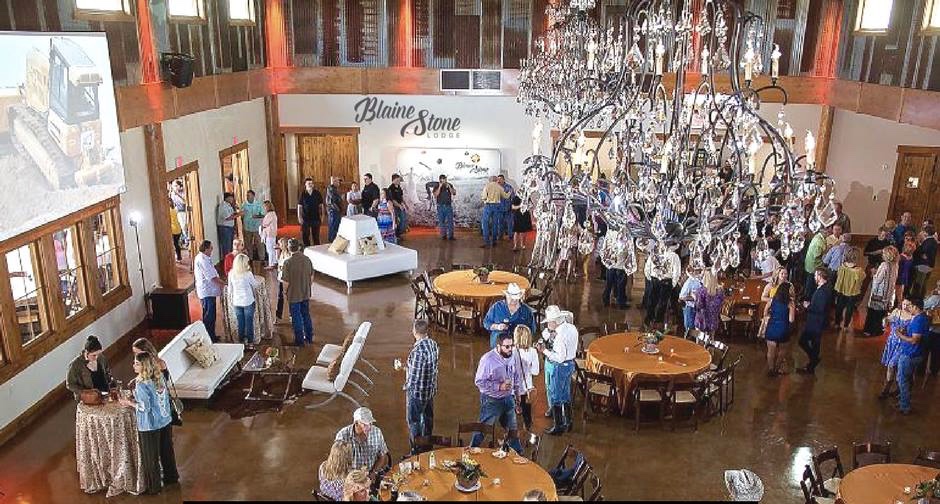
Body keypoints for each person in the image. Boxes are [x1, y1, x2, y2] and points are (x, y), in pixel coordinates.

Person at [118, 352, 178, 494]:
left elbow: (145, 407)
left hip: (150, 425)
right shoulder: (159, 377)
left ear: (143, 365)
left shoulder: (142, 384)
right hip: (165, 420)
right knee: (167, 452)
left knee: (150, 457)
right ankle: (172, 477)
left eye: (137, 363)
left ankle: (154, 487)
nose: (133, 365)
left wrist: (128, 402)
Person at [471, 332, 525, 453]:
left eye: (512, 345)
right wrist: (499, 386)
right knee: (484, 428)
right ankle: (471, 450)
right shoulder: (487, 360)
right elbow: (479, 382)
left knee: (513, 429)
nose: (510, 349)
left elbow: (516, 375)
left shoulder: (513, 354)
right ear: (498, 346)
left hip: (508, 398)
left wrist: (517, 395)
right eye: (507, 346)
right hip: (492, 400)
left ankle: (518, 454)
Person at [537, 306, 578, 436]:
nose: (548, 325)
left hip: (558, 367)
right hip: (570, 364)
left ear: (554, 321)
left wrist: (544, 351)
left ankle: (559, 425)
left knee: (555, 396)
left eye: (549, 322)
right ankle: (568, 421)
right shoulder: (571, 328)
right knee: (565, 394)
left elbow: (559, 357)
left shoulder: (559, 336)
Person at [402, 319, 439, 452]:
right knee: (428, 419)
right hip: (430, 390)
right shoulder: (433, 344)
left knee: (414, 421)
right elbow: (430, 368)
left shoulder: (417, 351)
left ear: (414, 331)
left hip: (418, 393)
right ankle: (428, 445)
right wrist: (407, 367)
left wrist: (406, 387)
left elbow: (415, 378)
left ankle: (416, 449)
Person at [335, 407, 390, 480]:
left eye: (371, 423)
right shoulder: (342, 436)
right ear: (356, 423)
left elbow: (382, 456)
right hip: (351, 478)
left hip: (371, 474)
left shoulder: (377, 432)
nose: (369, 427)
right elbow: (338, 463)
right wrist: (351, 480)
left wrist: (373, 473)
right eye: (365, 425)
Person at [798, 268, 833, 374]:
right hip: (816, 322)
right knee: (814, 344)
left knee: (803, 341)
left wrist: (808, 306)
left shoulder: (823, 291)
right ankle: (811, 365)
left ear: (820, 276)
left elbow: (819, 308)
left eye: (815, 275)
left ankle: (813, 361)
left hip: (816, 322)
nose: (814, 277)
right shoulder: (824, 288)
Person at [280, 238, 315, 346]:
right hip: (305, 292)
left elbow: (286, 281)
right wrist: (307, 286)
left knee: (296, 317)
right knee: (306, 315)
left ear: (289, 249)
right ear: (299, 247)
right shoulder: (307, 259)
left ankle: (299, 341)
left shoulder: (287, 262)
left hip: (294, 294)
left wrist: (284, 292)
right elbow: (312, 276)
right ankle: (309, 337)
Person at [896, 298, 927, 415]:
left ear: (916, 307)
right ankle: (903, 401)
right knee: (908, 379)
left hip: (910, 354)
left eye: (911, 306)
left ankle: (905, 405)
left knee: (902, 379)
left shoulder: (918, 320)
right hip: (917, 354)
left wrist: (900, 335)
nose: (909, 308)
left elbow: (915, 340)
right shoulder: (922, 318)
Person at [483, 283, 537, 349]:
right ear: (506, 296)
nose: (514, 300)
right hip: (498, 345)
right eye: (511, 298)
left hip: (519, 347)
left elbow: (532, 330)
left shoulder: (526, 311)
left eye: (516, 299)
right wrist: (497, 326)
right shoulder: (497, 307)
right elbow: (486, 322)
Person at [878, 299, 912, 400]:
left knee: (892, 365)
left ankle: (889, 389)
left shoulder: (912, 317)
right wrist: (885, 321)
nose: (905, 306)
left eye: (908, 305)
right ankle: (893, 389)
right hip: (892, 342)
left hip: (902, 345)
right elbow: (887, 320)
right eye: (904, 304)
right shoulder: (897, 312)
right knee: (892, 366)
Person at [863, 245, 900, 337]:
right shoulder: (895, 265)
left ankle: (870, 330)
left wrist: (873, 273)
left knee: (873, 313)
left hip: (879, 293)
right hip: (889, 293)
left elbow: (878, 280)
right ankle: (879, 330)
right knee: (881, 313)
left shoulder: (884, 265)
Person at [228, 254, 261, 347]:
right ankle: (250, 343)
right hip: (247, 301)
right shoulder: (248, 274)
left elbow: (230, 289)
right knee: (249, 323)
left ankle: (241, 342)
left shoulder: (231, 273)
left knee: (241, 323)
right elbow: (255, 285)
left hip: (236, 301)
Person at [643, 246, 682, 328]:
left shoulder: (658, 254)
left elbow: (647, 267)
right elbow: (676, 271)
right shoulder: (673, 256)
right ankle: (657, 321)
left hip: (658, 279)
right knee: (661, 302)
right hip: (665, 280)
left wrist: (650, 278)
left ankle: (650, 319)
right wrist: (673, 283)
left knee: (654, 300)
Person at [194, 240, 225, 342]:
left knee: (210, 314)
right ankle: (209, 337)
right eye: (211, 248)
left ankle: (212, 335)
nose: (212, 250)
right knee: (209, 316)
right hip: (207, 291)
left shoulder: (204, 258)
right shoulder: (203, 260)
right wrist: (223, 283)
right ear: (206, 249)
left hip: (208, 290)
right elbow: (211, 277)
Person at [763, 282, 795, 376]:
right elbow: (791, 320)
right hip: (783, 328)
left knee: (770, 351)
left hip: (772, 327)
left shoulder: (772, 300)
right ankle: (777, 368)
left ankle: (770, 369)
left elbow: (765, 312)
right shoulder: (790, 303)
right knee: (782, 351)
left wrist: (770, 316)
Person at [513, 325, 540, 432]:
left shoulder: (511, 350)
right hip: (526, 387)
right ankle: (527, 428)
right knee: (527, 411)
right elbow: (535, 371)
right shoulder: (533, 351)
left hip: (513, 386)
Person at [833, 247, 865, 330]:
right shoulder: (858, 270)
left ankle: (837, 323)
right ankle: (846, 326)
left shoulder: (842, 267)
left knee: (839, 307)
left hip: (841, 290)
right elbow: (862, 278)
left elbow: (838, 276)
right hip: (852, 292)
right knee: (849, 309)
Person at [480, 176, 509, 248]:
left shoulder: (487, 186)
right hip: (497, 206)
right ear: (496, 180)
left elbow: (483, 197)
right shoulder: (499, 187)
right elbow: (506, 196)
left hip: (488, 205)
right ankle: (494, 241)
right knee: (495, 224)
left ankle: (487, 242)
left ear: (490, 180)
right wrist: (509, 193)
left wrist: (486, 200)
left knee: (485, 224)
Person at [694, 269, 725, 335]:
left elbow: (698, 306)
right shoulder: (720, 291)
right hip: (713, 320)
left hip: (701, 320)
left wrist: (694, 297)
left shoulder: (701, 291)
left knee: (700, 343)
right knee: (711, 342)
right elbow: (721, 305)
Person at [912, 224, 937, 299]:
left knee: (918, 284)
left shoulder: (929, 241)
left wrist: (919, 249)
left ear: (925, 232)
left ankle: (915, 299)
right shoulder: (932, 241)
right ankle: (920, 297)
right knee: (923, 284)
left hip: (923, 266)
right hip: (928, 266)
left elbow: (922, 253)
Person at [803, 229, 828, 301]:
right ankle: (808, 300)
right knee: (810, 285)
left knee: (809, 284)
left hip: (811, 265)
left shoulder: (818, 237)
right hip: (814, 266)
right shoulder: (819, 241)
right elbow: (817, 255)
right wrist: (826, 251)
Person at [241, 189, 265, 262]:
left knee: (260, 243)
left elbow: (263, 214)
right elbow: (241, 216)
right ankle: (249, 258)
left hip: (257, 227)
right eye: (247, 196)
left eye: (249, 195)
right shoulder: (244, 205)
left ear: (253, 196)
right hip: (247, 227)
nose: (248, 197)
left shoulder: (258, 204)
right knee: (248, 244)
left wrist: (256, 216)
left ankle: (262, 258)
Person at [298, 178, 324, 246]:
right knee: (305, 236)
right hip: (305, 218)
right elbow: (299, 206)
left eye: (311, 183)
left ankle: (317, 250)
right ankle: (307, 249)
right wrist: (299, 217)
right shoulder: (302, 194)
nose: (310, 185)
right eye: (308, 183)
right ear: (305, 184)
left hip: (316, 217)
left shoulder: (317, 193)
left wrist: (322, 216)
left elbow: (321, 206)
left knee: (316, 236)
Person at [678, 268, 703, 333]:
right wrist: (694, 298)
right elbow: (681, 297)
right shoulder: (690, 281)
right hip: (690, 309)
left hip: (700, 310)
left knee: (698, 333)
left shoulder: (702, 281)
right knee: (690, 331)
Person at [216, 192, 240, 257]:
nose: (232, 199)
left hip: (229, 228)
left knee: (229, 246)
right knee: (226, 246)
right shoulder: (223, 206)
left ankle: (230, 261)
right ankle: (227, 262)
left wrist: (236, 211)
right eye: (231, 198)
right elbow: (228, 218)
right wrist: (239, 214)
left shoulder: (228, 205)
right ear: (227, 198)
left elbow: (231, 214)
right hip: (225, 228)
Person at [433, 174, 456, 240]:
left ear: (446, 179)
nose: (443, 181)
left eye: (445, 180)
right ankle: (443, 235)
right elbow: (435, 195)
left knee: (450, 221)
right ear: (440, 180)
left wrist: (450, 187)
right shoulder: (437, 186)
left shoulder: (449, 185)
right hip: (440, 206)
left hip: (448, 206)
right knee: (441, 222)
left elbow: (454, 193)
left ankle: (451, 236)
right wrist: (440, 187)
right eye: (442, 180)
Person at [274, 237, 290, 323]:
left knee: (290, 297)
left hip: (287, 279)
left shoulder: (289, 255)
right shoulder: (281, 253)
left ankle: (292, 315)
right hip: (281, 278)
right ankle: (278, 316)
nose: (278, 245)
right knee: (280, 297)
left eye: (279, 244)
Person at [387, 174, 408, 240]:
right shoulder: (391, 188)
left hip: (400, 206)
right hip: (394, 207)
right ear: (394, 180)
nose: (399, 181)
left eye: (399, 180)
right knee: (395, 221)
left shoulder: (399, 187)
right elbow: (393, 200)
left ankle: (399, 233)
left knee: (403, 220)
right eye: (398, 180)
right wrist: (399, 206)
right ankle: (395, 235)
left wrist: (405, 205)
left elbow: (401, 197)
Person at [897, 232, 916, 300]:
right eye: (907, 239)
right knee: (899, 293)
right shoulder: (901, 257)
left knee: (903, 293)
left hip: (906, 277)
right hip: (900, 277)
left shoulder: (911, 256)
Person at [259, 201, 278, 270]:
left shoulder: (270, 214)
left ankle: (271, 264)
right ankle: (274, 261)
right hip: (272, 233)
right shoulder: (273, 213)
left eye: (264, 207)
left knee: (270, 250)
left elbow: (265, 224)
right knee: (272, 249)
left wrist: (261, 226)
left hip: (269, 234)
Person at [497, 174, 515, 241]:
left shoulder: (509, 187)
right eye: (498, 179)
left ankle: (510, 235)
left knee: (510, 223)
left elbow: (512, 197)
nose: (499, 181)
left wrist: (512, 206)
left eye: (500, 179)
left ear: (503, 179)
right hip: (499, 208)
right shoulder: (496, 188)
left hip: (508, 208)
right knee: (500, 223)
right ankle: (500, 235)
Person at [326, 175, 343, 243]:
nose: (339, 183)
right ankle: (332, 241)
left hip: (335, 210)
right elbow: (334, 200)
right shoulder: (331, 188)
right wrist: (340, 199)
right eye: (338, 181)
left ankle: (333, 241)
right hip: (333, 210)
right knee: (333, 226)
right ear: (334, 181)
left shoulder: (334, 188)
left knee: (335, 226)